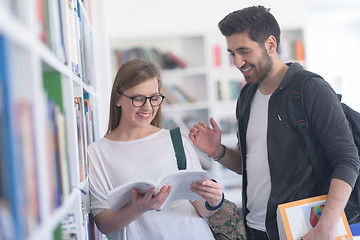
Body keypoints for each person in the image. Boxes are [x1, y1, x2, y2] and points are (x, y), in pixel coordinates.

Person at [189, 5, 360, 240]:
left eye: (243, 51)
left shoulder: (310, 89)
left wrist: (326, 226)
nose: (237, 62)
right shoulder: (247, 96)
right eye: (231, 53)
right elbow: (251, 165)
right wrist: (217, 151)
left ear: (270, 44)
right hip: (256, 229)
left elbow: (347, 159)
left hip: (304, 230)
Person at [87, 58, 223, 240]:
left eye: (154, 98)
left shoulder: (177, 140)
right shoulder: (98, 153)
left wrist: (214, 201)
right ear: (118, 98)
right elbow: (104, 223)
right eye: (138, 99)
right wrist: (139, 207)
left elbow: (201, 209)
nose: (147, 107)